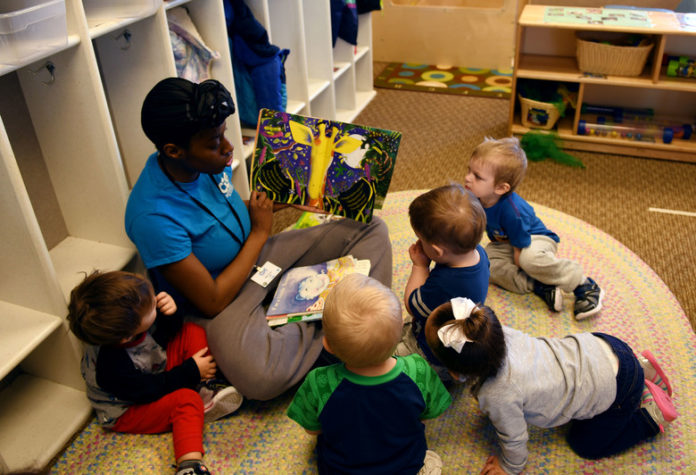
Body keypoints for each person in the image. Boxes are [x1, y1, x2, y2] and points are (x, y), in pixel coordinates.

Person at [125, 77, 392, 401]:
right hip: (223, 299)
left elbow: (226, 215)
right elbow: (212, 300)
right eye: (214, 142)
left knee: (370, 228)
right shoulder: (151, 217)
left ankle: (338, 326)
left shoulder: (201, 164)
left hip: (258, 258)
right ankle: (344, 331)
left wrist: (276, 203)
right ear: (173, 150)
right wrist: (261, 230)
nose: (228, 147)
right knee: (260, 378)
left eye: (224, 134)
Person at [424, 297, 678, 475]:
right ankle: (642, 365)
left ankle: (650, 416)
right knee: (613, 366)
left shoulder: (497, 395)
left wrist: (509, 467)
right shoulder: (497, 335)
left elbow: (514, 438)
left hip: (618, 388)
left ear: (456, 374)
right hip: (605, 346)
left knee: (585, 445)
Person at [67, 270, 244, 475]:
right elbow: (150, 390)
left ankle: (205, 388)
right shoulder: (112, 367)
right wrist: (191, 371)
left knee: (191, 331)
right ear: (127, 336)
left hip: (151, 368)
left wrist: (171, 313)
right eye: (152, 306)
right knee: (185, 400)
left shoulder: (128, 325)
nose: (155, 300)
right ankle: (189, 464)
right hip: (129, 407)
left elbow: (164, 336)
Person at [287, 274, 452, 474]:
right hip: (405, 465)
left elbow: (312, 429)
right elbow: (429, 414)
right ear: (400, 330)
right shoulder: (418, 370)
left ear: (327, 345)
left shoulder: (319, 382)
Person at [464, 136, 603, 320]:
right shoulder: (477, 197)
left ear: (500, 188)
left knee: (528, 260)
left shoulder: (513, 210)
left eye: (477, 177)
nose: (467, 178)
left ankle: (583, 284)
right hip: (506, 242)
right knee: (485, 264)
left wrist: (519, 260)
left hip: (535, 239)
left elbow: (521, 242)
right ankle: (541, 285)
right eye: (469, 171)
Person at [397, 184, 490, 374]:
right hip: (458, 333)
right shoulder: (478, 252)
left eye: (421, 240)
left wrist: (420, 266)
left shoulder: (445, 283)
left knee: (382, 358)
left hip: (434, 354)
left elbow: (412, 305)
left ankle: (435, 377)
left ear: (437, 251)